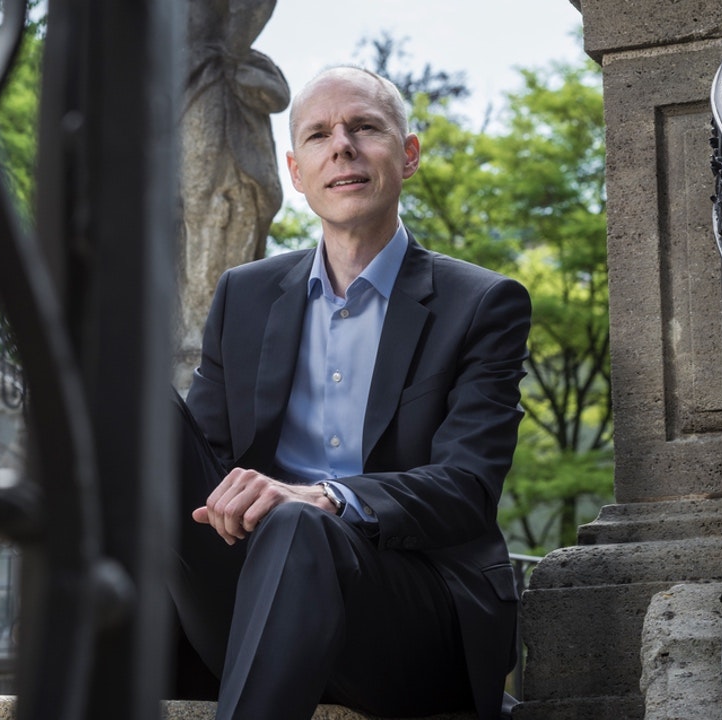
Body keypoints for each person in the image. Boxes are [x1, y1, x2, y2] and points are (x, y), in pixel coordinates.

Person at [169, 65, 531, 720]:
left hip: (411, 611)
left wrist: (327, 498)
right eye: (319, 135)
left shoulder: (481, 305)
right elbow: (199, 474)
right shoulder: (242, 298)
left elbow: (467, 489)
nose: (342, 146)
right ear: (296, 169)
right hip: (251, 594)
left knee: (300, 528)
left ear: (408, 154)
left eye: (364, 127)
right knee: (146, 416)